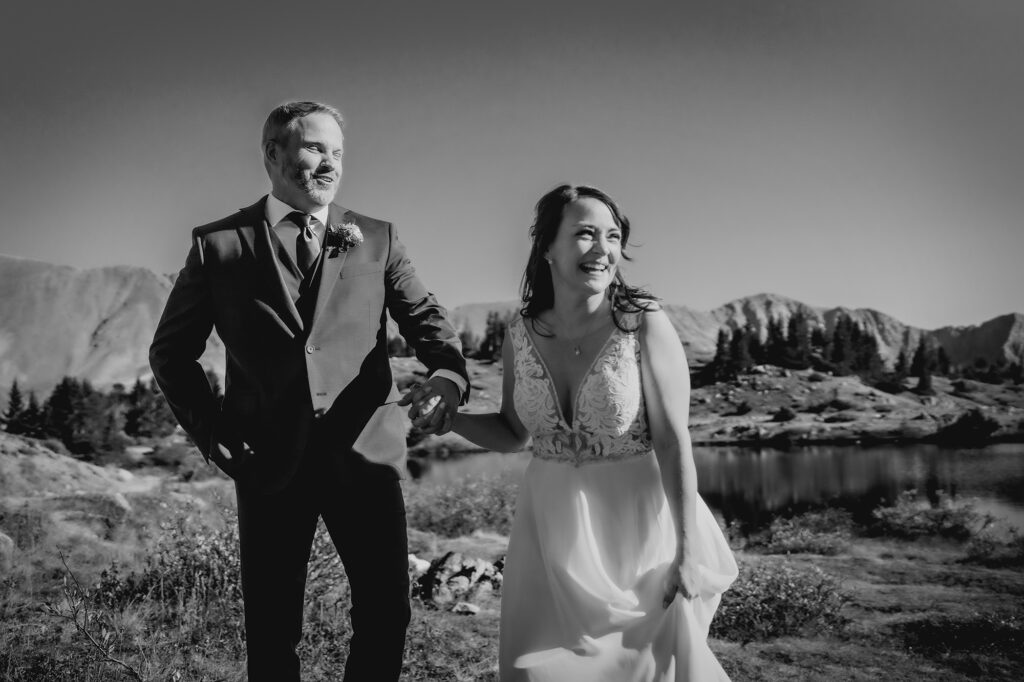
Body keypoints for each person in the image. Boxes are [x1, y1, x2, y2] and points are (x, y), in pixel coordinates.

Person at [149, 100, 468, 682]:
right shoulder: (217, 245)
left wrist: (448, 373)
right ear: (272, 155)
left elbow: (426, 318)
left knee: (386, 614)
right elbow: (170, 354)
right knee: (271, 631)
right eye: (315, 148)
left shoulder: (376, 237)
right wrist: (215, 436)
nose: (329, 164)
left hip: (366, 456)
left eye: (337, 152)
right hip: (265, 459)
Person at [452, 184, 738, 681]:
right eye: (585, 234)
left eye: (612, 236)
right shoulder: (520, 335)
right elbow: (512, 433)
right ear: (547, 248)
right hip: (548, 538)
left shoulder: (642, 323)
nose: (603, 249)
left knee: (640, 671)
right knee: (534, 672)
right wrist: (448, 419)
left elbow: (672, 442)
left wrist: (687, 553)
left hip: (637, 537)